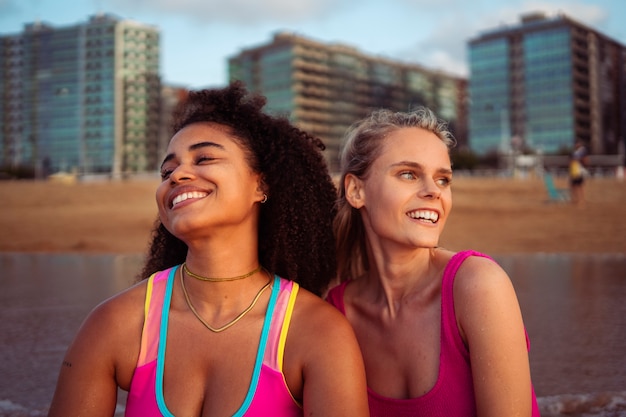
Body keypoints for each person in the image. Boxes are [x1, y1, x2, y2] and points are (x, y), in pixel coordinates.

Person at [48, 82, 369, 417]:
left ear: (261, 185)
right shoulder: (115, 323)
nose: (178, 175)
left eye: (204, 158)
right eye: (167, 171)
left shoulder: (317, 333)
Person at [327, 108, 540, 416]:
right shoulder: (335, 316)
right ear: (356, 190)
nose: (433, 192)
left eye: (443, 179)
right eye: (408, 174)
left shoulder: (478, 286)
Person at [569, 140, 588, 205]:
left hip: (580, 170)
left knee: (580, 185)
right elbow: (571, 161)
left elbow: (586, 160)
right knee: (573, 185)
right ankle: (575, 199)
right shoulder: (573, 152)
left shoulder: (582, 151)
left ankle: (582, 200)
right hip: (574, 170)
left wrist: (582, 162)